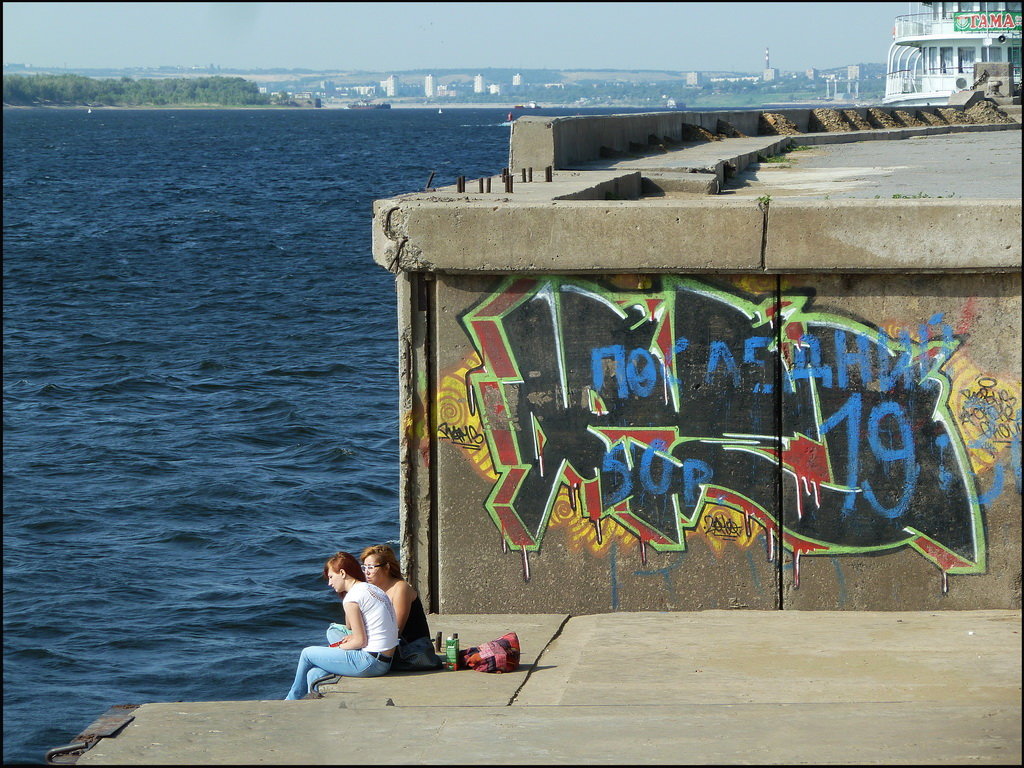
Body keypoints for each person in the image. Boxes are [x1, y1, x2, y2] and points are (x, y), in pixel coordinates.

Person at [284, 551, 398, 700]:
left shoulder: (352, 598)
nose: (329, 583)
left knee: (307, 653)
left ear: (342, 573)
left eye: (331, 577)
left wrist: (334, 649)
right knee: (314, 673)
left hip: (371, 662)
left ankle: (291, 699)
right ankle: (313, 697)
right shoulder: (372, 588)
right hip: (386, 660)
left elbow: (359, 641)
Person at [356, 544, 442, 670]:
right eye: (364, 567)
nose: (367, 572)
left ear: (386, 567)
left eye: (371, 567)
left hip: (408, 648)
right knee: (336, 632)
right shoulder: (373, 590)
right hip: (384, 642)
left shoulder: (401, 588)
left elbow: (396, 629)